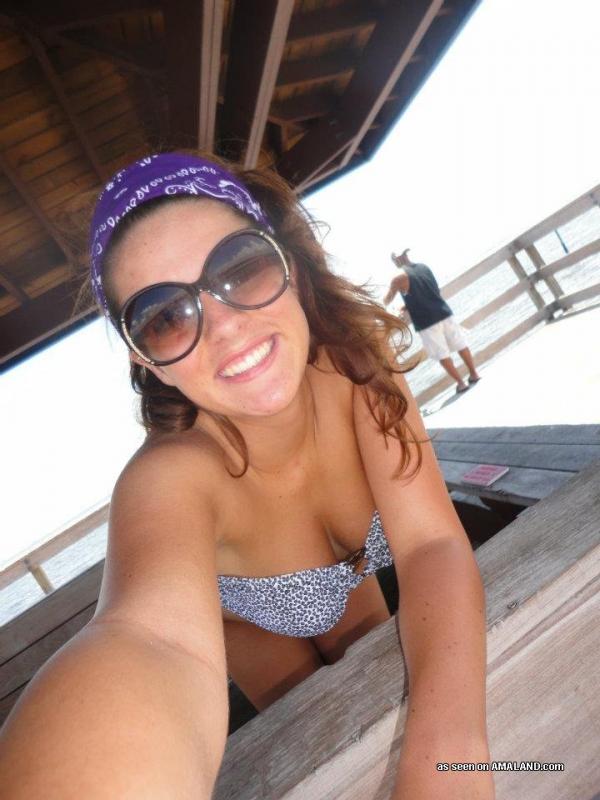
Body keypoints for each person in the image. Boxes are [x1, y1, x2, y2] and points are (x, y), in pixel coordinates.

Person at [0, 153, 493, 799]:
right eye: (165, 317)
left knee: (380, 697)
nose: (225, 325)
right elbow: (147, 639)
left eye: (239, 268)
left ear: (287, 263)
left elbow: (429, 543)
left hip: (351, 580)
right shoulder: (169, 478)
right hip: (252, 621)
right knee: (321, 743)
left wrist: (451, 757)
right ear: (147, 361)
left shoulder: (358, 368)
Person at [385, 248, 481, 393]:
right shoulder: (423, 267)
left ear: (398, 258)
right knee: (460, 343)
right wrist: (407, 305)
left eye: (393, 259)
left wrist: (395, 309)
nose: (394, 262)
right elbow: (432, 290)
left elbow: (387, 300)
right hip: (443, 312)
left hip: (427, 321)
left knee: (441, 354)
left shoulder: (398, 278)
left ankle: (461, 383)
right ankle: (474, 374)